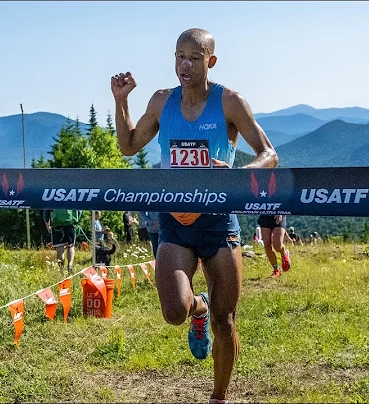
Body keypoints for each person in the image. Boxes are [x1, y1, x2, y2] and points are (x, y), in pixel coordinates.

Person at [111, 27, 278, 403]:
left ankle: (218, 396)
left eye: (193, 58)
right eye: (178, 56)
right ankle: (196, 307)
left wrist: (236, 175)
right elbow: (128, 145)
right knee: (174, 311)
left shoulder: (229, 102)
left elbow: (269, 154)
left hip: (218, 222)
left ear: (210, 62)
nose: (184, 64)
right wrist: (121, 101)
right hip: (175, 221)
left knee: (226, 320)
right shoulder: (160, 101)